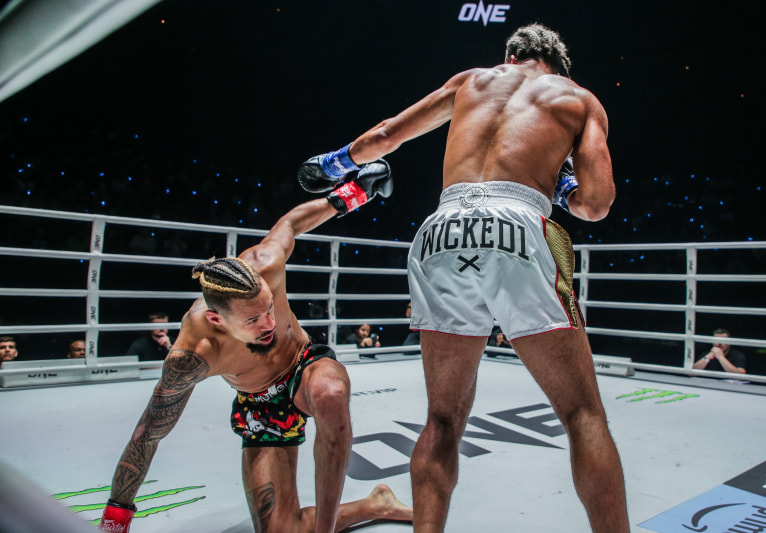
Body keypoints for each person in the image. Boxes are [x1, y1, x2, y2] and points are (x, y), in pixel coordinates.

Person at [298, 23, 628, 533]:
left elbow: (385, 136)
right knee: (583, 414)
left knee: (442, 418)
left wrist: (333, 163)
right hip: (519, 223)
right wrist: (562, 185)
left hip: (440, 229)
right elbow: (596, 204)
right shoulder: (579, 98)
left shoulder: (470, 80)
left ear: (510, 56)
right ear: (558, 66)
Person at [99, 162, 411, 533]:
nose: (269, 325)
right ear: (217, 320)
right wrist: (116, 518)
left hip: (303, 364)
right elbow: (148, 433)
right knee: (281, 530)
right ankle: (376, 504)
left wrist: (356, 192)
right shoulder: (194, 353)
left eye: (268, 309)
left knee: (330, 392)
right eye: (252, 320)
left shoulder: (265, 263)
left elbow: (291, 223)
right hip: (260, 404)